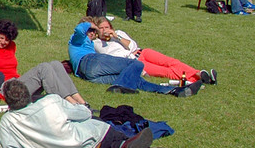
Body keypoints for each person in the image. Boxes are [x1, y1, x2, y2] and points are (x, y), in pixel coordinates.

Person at [0, 79, 170, 148]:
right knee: (99, 124)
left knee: (96, 128)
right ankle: (124, 145)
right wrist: (84, 109)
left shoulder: (8, 122)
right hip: (87, 145)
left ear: (8, 100)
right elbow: (83, 114)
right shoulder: (51, 102)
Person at [0, 19, 89, 106]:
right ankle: (71, 103)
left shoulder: (12, 46)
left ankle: (81, 101)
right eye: (1, 38)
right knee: (44, 68)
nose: (3, 42)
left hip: (17, 82)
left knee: (56, 64)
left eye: (7, 40)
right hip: (4, 88)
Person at [68, 21, 197, 97]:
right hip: (89, 62)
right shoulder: (78, 40)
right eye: (91, 31)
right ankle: (121, 85)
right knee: (137, 65)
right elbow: (79, 30)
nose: (92, 33)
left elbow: (132, 45)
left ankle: (171, 91)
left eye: (93, 31)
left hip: (89, 75)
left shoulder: (90, 42)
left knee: (136, 79)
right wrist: (91, 24)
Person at [89, 16, 215, 85]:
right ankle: (197, 78)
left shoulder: (119, 33)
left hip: (142, 52)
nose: (105, 30)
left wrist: (117, 37)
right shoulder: (98, 44)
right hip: (135, 62)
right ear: (97, 30)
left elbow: (132, 45)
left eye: (107, 27)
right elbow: (116, 55)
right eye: (101, 28)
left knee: (172, 62)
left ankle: (198, 74)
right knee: (166, 72)